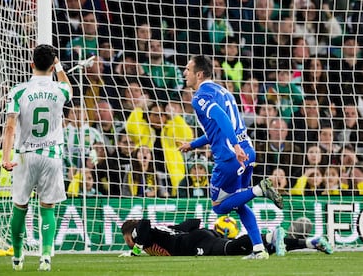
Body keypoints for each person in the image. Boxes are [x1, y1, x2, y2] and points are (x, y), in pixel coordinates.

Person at [179, 55, 282, 259]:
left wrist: (234, 147)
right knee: (239, 202)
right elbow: (217, 130)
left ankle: (259, 189)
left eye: (188, 70)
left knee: (219, 207)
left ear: (199, 74)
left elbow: (220, 117)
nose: (184, 73)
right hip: (248, 152)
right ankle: (259, 249)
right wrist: (193, 144)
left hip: (230, 157)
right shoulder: (224, 91)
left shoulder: (199, 97)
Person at [1, 44, 72, 271]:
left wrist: (6, 157)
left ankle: (18, 257)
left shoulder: (18, 91)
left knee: (20, 206)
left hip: (25, 156)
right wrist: (59, 66)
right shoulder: (60, 90)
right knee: (47, 207)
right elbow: (68, 86)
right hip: (51, 156)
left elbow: (10, 127)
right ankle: (45, 257)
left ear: (31, 64)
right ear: (52, 66)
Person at [119, 218, 333, 257]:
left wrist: (135, 247)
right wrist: (178, 229)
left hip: (194, 244)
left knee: (230, 248)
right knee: (249, 250)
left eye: (128, 238)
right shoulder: (160, 231)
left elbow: (145, 223)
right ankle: (308, 242)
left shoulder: (143, 234)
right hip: (194, 238)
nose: (129, 243)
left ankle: (270, 234)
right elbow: (194, 222)